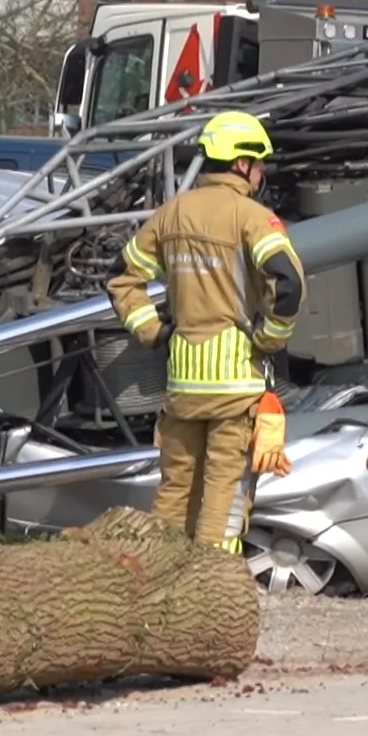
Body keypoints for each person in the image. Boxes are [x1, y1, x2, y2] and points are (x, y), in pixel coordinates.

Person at [105, 111, 308, 554]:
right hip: (235, 385)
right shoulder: (252, 217)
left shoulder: (171, 214)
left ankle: (159, 584)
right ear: (240, 163)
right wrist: (270, 338)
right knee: (225, 495)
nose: (260, 174)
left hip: (182, 384)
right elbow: (287, 281)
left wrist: (153, 331)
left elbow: (121, 276)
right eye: (258, 164)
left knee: (175, 493)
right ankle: (215, 588)